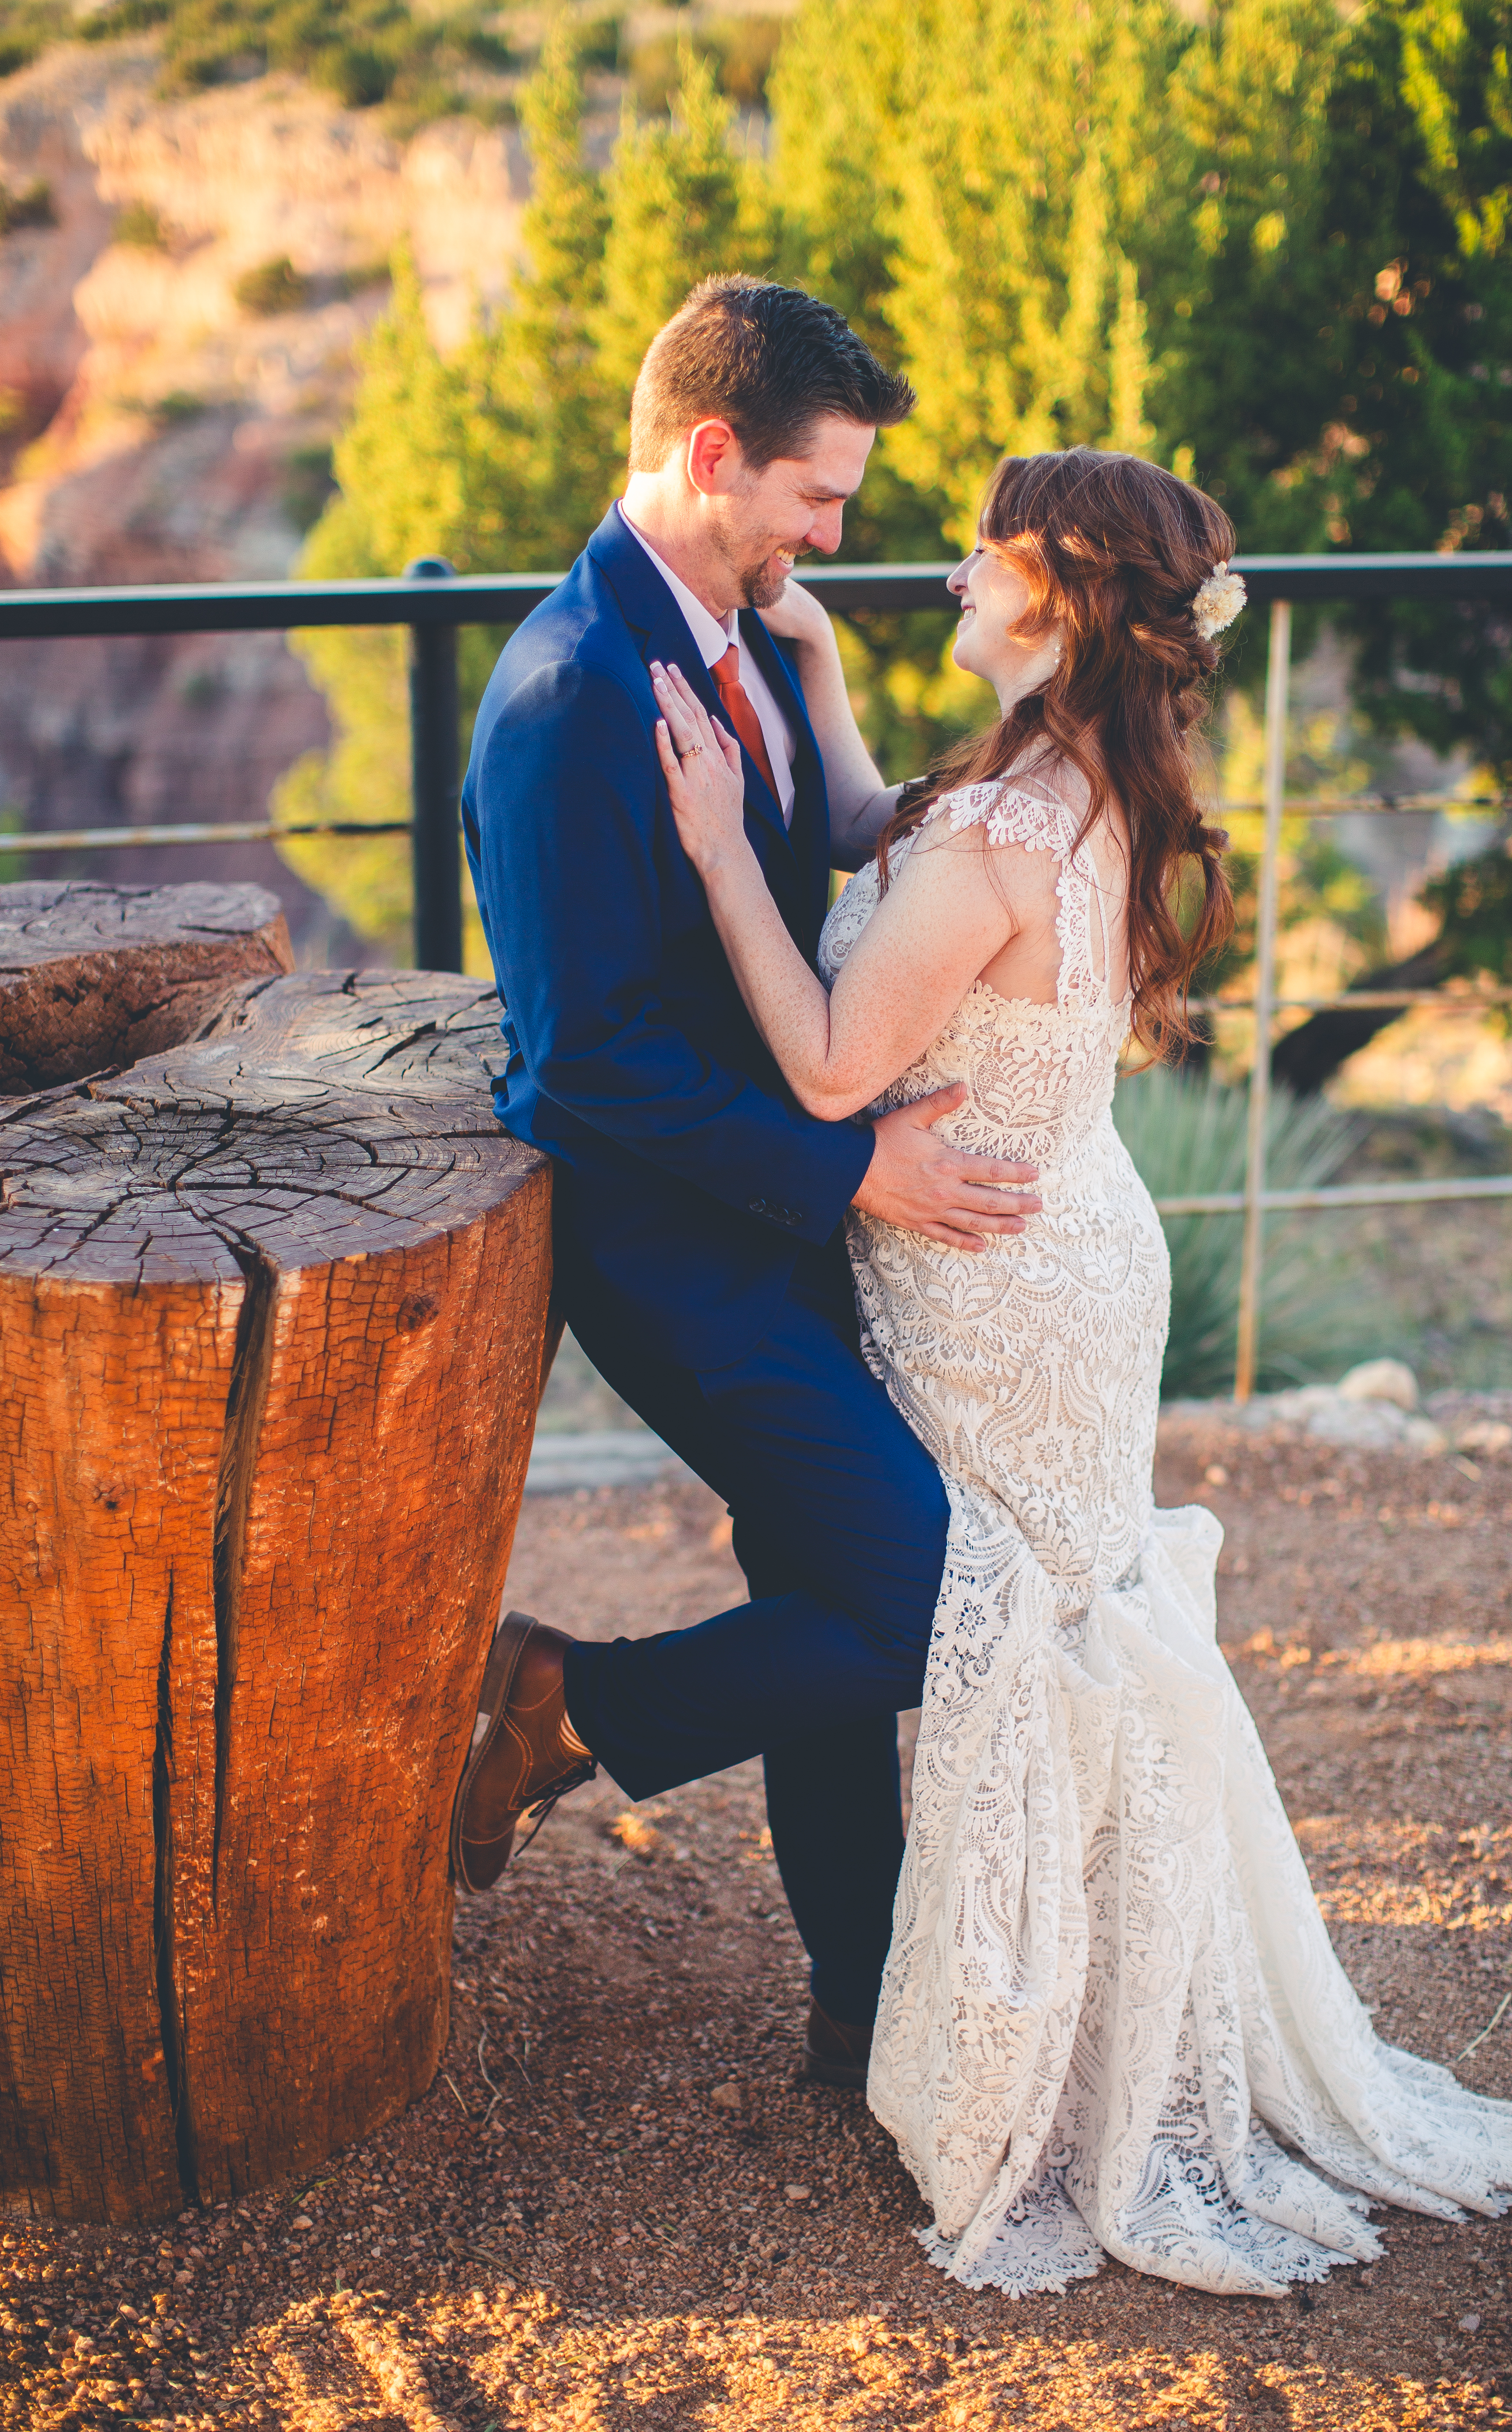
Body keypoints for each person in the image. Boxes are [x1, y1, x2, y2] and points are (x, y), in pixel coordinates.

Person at [645, 443, 1512, 2297]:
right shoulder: (1061, 778)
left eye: (985, 546)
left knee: (989, 1630)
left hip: (992, 1288)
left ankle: (1019, 2036)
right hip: (1056, 1248)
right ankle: (991, 1999)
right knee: (1023, 1620)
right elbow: (878, 834)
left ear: (1054, 591)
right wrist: (811, 679)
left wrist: (711, 854)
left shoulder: (1008, 829)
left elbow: (831, 1066)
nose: (953, 565)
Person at [454, 275, 1042, 2090]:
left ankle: (860, 2017)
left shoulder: (744, 639)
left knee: (831, 1586)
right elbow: (590, 1058)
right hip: (669, 1250)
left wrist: (819, 665)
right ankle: (568, 1705)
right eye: (819, 494)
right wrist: (851, 1167)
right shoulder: (565, 697)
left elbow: (815, 873)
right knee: (917, 1589)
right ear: (714, 455)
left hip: (777, 1226)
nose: (837, 534)